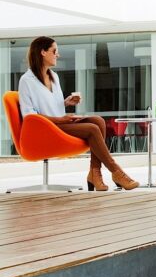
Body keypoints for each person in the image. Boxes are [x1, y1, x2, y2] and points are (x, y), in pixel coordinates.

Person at [18, 36, 139, 191]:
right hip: (47, 128)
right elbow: (29, 116)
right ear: (43, 52)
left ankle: (94, 173)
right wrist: (61, 120)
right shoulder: (26, 80)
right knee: (92, 129)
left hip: (61, 123)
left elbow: (51, 105)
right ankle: (116, 171)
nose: (58, 55)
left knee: (98, 121)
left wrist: (66, 102)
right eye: (54, 51)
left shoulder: (53, 76)